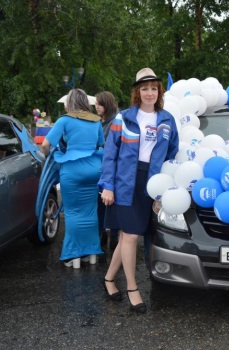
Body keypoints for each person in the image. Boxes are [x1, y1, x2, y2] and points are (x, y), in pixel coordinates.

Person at [99, 68, 179, 313]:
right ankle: (133, 287)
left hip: (151, 183)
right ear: (137, 92)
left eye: (154, 88)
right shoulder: (123, 119)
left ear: (159, 91)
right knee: (131, 236)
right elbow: (109, 156)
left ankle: (109, 278)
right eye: (144, 88)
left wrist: (162, 191)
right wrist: (108, 186)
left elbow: (172, 155)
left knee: (126, 236)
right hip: (124, 183)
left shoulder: (167, 119)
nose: (149, 93)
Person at [41, 89, 105, 269]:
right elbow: (100, 144)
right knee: (90, 212)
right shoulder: (96, 121)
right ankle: (91, 254)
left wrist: (47, 158)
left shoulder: (64, 121)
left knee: (73, 213)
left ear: (70, 103)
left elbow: (46, 144)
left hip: (72, 170)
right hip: (93, 169)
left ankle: (74, 255)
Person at [95, 91, 120, 250]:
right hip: (102, 167)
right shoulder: (101, 121)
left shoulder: (116, 122)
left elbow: (112, 146)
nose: (96, 107)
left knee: (113, 204)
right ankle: (103, 233)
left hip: (114, 168)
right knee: (101, 203)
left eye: (99, 104)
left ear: (107, 104)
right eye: (96, 104)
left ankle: (115, 237)